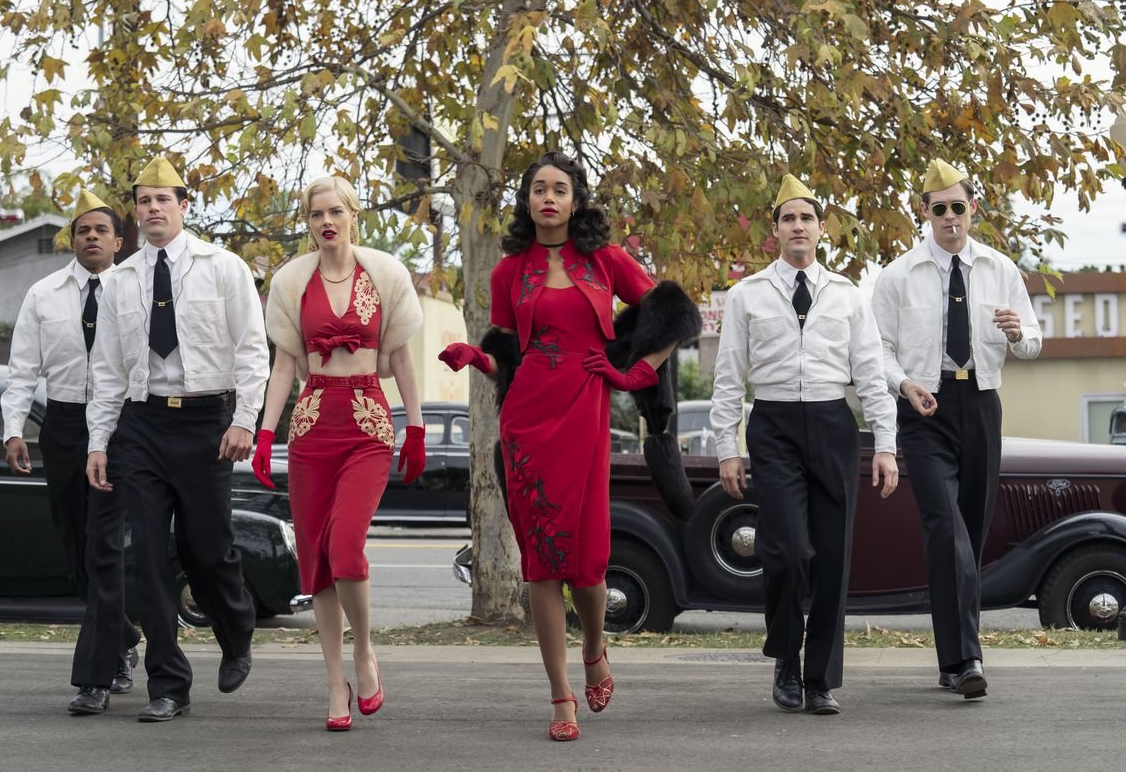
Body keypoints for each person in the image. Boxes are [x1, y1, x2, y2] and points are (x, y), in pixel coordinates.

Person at [438, 151, 699, 742]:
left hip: (585, 407)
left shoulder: (604, 260)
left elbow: (674, 312)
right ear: (527, 202)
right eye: (538, 189)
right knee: (541, 563)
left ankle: (596, 647)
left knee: (586, 565)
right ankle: (560, 696)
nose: (548, 198)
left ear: (577, 200)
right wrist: (475, 356)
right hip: (526, 422)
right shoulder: (509, 272)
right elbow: (508, 352)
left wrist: (638, 371)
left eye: (560, 189)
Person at [85, 156, 270, 722]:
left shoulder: (224, 267)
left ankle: (236, 630)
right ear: (135, 212)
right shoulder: (118, 281)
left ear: (184, 206)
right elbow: (109, 370)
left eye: (163, 199)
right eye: (143, 201)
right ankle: (169, 683)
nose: (153, 210)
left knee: (208, 547)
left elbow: (251, 350)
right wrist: (99, 441)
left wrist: (245, 419)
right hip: (141, 426)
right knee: (147, 554)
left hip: (206, 424)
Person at [710, 174, 899, 716]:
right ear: (775, 231)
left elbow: (869, 374)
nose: (798, 226)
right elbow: (728, 376)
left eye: (806, 218)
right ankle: (785, 661)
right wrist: (728, 445)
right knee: (788, 552)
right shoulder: (746, 294)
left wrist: (885, 443)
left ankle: (819, 679)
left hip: (832, 423)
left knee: (833, 557)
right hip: (772, 425)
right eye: (788, 218)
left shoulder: (846, 295)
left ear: (821, 230)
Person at [254, 174, 425, 732]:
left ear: (353, 215)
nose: (325, 222)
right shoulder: (291, 282)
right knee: (317, 563)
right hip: (310, 425)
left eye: (335, 212)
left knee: (345, 544)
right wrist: (264, 434)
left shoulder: (385, 275)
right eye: (314, 215)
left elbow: (400, 360)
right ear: (307, 224)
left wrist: (417, 427)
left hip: (368, 422)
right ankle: (334, 682)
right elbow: (284, 366)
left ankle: (364, 653)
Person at [871, 159, 1041, 699]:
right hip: (925, 409)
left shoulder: (1000, 269)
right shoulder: (897, 276)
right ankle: (968, 658)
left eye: (958, 207)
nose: (949, 217)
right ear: (924, 212)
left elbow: (1033, 343)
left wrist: (1018, 334)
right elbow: (877, 351)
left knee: (967, 534)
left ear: (974, 209)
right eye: (938, 208)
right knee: (946, 530)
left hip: (982, 403)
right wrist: (904, 386)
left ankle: (952, 661)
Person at [1, 189, 140, 714]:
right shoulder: (44, 295)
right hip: (61, 426)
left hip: (120, 426)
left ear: (118, 242)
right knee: (75, 548)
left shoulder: (134, 292)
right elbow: (21, 371)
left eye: (101, 230)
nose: (91, 238)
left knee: (102, 546)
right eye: (82, 230)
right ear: (72, 240)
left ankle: (96, 674)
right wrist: (15, 429)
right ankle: (122, 633)